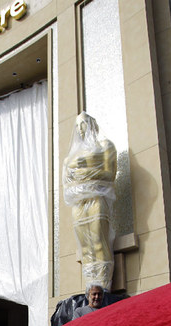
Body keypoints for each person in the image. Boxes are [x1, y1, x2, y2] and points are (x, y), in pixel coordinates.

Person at [63, 111, 117, 291]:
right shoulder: (70, 157)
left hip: (96, 199)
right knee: (86, 247)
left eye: (83, 123)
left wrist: (84, 175)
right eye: (77, 125)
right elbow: (67, 184)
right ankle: (91, 288)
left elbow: (109, 175)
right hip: (79, 204)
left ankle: (104, 287)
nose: (80, 128)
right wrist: (82, 179)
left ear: (92, 124)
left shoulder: (105, 146)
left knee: (98, 241)